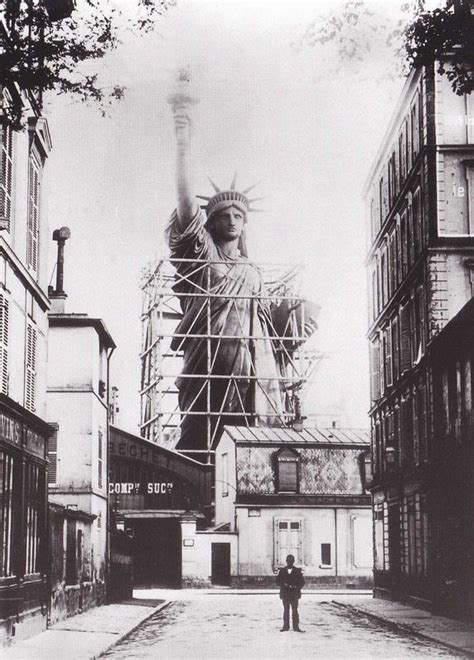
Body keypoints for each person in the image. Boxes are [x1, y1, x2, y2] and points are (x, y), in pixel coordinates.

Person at [166, 76, 285, 458]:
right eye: (224, 215)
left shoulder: (252, 271)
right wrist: (183, 136)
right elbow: (186, 209)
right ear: (211, 222)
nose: (233, 220)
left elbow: (268, 328)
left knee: (245, 443)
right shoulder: (204, 256)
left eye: (239, 215)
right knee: (201, 436)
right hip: (208, 357)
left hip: (248, 365)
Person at [276, 554, 305, 632]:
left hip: (294, 594)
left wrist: (296, 587)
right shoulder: (282, 571)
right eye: (289, 561)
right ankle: (286, 627)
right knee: (286, 610)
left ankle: (296, 627)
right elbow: (277, 581)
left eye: (291, 561)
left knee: (295, 610)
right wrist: (283, 584)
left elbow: (302, 582)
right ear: (286, 562)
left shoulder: (297, 571)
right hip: (285, 594)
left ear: (293, 562)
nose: (290, 563)